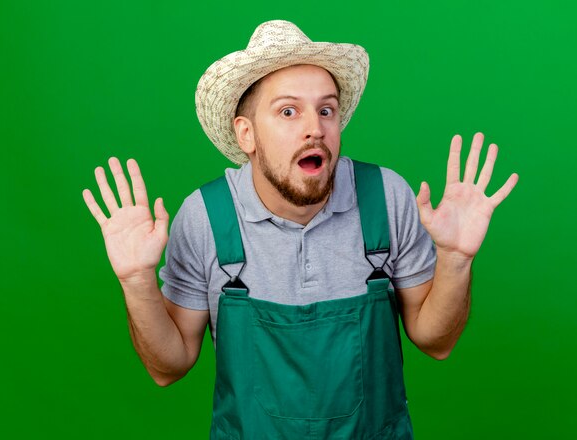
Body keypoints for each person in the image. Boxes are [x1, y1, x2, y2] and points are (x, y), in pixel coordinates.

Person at [82, 20, 518, 439]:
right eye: (288, 111)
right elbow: (167, 367)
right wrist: (136, 280)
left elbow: (436, 341)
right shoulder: (205, 217)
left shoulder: (386, 197)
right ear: (246, 134)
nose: (315, 129)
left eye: (326, 109)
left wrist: (457, 260)